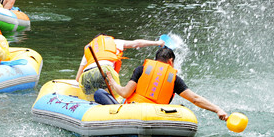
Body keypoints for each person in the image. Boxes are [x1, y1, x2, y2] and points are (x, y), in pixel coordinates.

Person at [94, 47, 228, 121]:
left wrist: (112, 82)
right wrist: (217, 109)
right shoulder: (174, 79)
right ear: (171, 61)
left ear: (155, 59)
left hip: (132, 112)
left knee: (99, 93)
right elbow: (195, 99)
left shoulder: (141, 69)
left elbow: (124, 93)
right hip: (157, 116)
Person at [75, 34, 166, 101]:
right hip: (105, 71)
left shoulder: (88, 49)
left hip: (86, 76)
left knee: (93, 96)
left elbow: (78, 78)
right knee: (118, 96)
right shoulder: (114, 42)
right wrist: (158, 43)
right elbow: (137, 43)